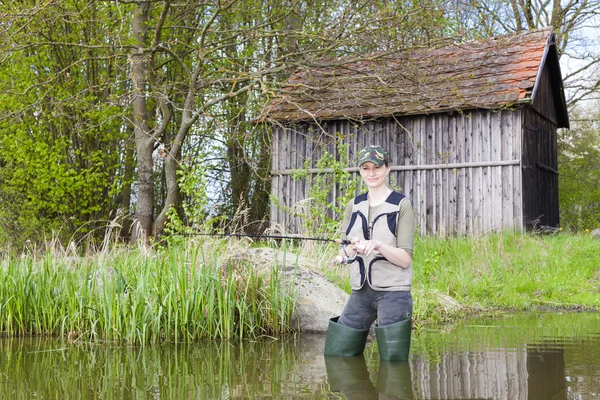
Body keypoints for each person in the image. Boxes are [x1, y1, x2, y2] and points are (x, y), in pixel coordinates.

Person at [324, 145, 415, 361]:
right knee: (337, 355)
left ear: (388, 168)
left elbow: (405, 259)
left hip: (394, 293)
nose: (371, 173)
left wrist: (378, 245)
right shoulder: (353, 205)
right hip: (361, 292)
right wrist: (348, 251)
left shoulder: (401, 205)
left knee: (394, 364)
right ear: (360, 171)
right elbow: (345, 250)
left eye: (377, 167)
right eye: (365, 168)